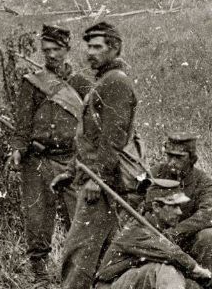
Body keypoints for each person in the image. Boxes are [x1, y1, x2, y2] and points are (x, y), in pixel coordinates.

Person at [61, 21, 141, 289]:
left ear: (114, 48)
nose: (90, 53)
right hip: (97, 178)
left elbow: (113, 137)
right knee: (99, 251)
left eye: (97, 47)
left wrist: (97, 178)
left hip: (102, 182)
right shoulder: (106, 81)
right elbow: (90, 137)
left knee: (79, 251)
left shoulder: (116, 83)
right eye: (88, 47)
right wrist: (72, 171)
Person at [13, 24, 97, 277]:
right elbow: (22, 121)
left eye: (56, 49)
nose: (51, 55)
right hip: (38, 159)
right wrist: (18, 148)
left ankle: (75, 274)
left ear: (67, 49)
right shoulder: (33, 83)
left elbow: (93, 124)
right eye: (46, 50)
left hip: (73, 159)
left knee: (79, 219)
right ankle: (39, 273)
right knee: (37, 218)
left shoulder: (82, 84)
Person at [94, 188, 212, 289]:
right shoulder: (137, 231)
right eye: (174, 206)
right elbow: (172, 254)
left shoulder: (161, 232)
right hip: (109, 285)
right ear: (156, 207)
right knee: (167, 270)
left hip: (130, 282)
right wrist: (198, 270)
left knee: (191, 285)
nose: (180, 212)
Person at [153, 133, 212, 271]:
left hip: (186, 240)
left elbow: (208, 214)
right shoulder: (156, 173)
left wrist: (175, 232)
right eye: (169, 155)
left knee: (208, 236)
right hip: (157, 236)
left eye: (179, 157)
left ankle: (206, 283)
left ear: (192, 158)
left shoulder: (202, 180)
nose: (172, 162)